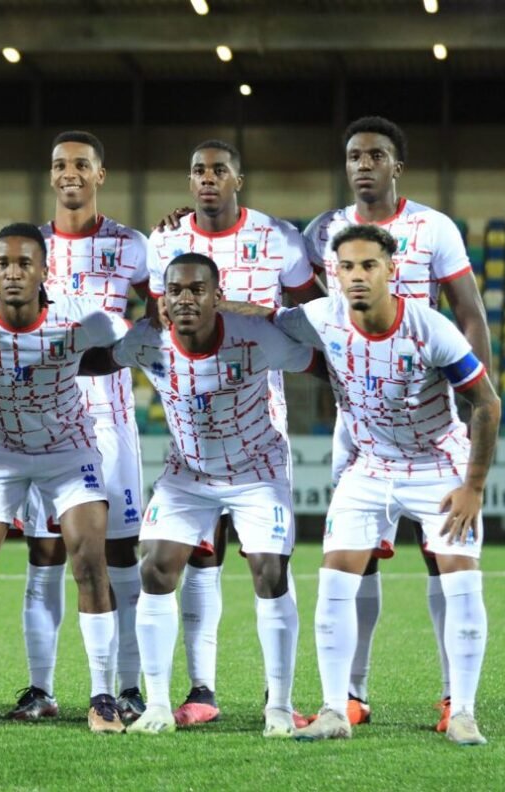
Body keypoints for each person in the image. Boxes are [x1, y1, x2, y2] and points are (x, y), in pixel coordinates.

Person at [302, 116, 493, 730]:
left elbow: (468, 311)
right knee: (355, 557)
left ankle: (453, 700)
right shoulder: (326, 232)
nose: (363, 164)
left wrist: (467, 398)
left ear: (395, 165)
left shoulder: (431, 228)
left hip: (428, 410)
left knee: (444, 558)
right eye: (354, 155)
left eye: (376, 154)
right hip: (359, 424)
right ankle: (348, 696)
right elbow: (300, 318)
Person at [83, 253, 320, 737]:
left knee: (270, 571)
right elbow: (101, 360)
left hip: (258, 469)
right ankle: (156, 704)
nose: (185, 299)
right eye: (175, 290)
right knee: (155, 567)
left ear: (217, 296)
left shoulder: (258, 338)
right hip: (187, 473)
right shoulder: (148, 339)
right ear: (162, 298)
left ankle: (279, 704)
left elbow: (318, 361)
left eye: (197, 290)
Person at [147, 139, 324, 725]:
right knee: (198, 557)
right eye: (197, 170)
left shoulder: (279, 239)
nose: (207, 180)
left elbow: (312, 318)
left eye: (219, 170)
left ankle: (280, 700)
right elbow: (159, 324)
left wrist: (258, 316)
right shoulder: (166, 240)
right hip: (191, 426)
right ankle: (201, 690)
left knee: (268, 563)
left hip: (257, 416)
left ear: (238, 179)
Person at [0, 223, 128, 734]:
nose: (12, 273)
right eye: (2, 264)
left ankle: (103, 697)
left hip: (68, 450)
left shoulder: (79, 315)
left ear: (44, 270)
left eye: (24, 263)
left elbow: (119, 351)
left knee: (88, 561)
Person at [10, 130, 151, 724]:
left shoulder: (132, 245)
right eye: (59, 163)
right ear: (50, 175)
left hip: (112, 418)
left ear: (100, 174)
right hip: (43, 421)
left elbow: (164, 308)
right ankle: (40, 689)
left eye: (81, 164)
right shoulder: (29, 246)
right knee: (45, 552)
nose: (69, 173)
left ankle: (129, 687)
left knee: (120, 554)